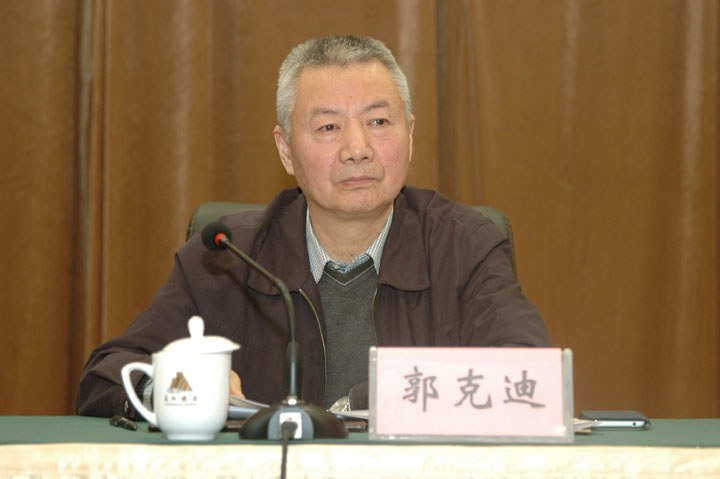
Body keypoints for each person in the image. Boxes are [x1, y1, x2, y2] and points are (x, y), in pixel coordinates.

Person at [77, 35, 551, 418]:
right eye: (328, 127)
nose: (357, 149)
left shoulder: (464, 246)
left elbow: (529, 379)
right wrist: (172, 386)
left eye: (379, 121)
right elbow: (105, 377)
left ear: (410, 136)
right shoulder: (224, 257)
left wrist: (360, 404)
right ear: (286, 150)